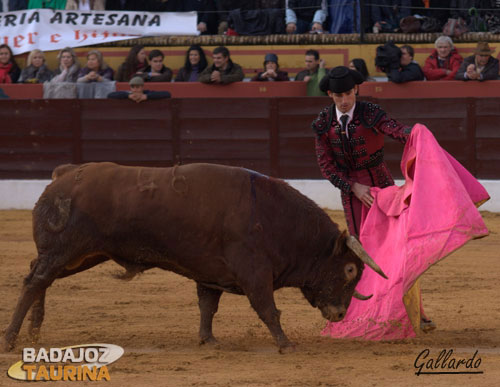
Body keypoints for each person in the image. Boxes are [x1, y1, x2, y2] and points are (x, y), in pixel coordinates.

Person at [312, 66, 435, 332]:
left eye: (349, 93)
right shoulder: (323, 123)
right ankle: (366, 312)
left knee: (399, 250)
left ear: (356, 89)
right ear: (330, 94)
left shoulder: (370, 113)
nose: (345, 100)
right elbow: (327, 167)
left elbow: (396, 130)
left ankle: (417, 313)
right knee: (361, 254)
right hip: (353, 196)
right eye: (339, 95)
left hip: (383, 189)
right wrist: (352, 186)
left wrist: (415, 133)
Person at [107, 76, 171, 102]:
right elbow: (109, 95)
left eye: (137, 87)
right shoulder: (128, 94)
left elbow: (167, 94)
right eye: (132, 87)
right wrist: (128, 96)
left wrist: (146, 97)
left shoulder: (147, 93)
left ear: (142, 87)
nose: (135, 90)